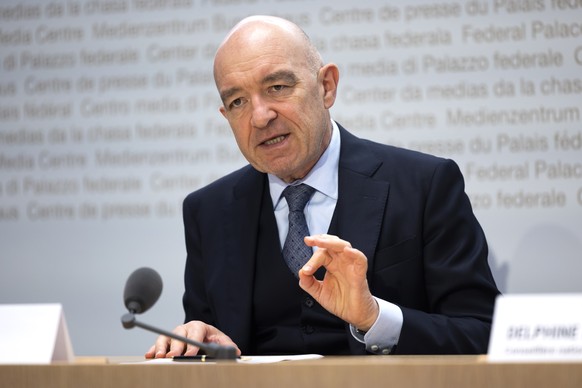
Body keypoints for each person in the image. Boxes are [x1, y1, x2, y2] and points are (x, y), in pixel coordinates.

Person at [146, 15, 500, 358]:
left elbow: (482, 332)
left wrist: (375, 318)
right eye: (237, 101)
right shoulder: (209, 211)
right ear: (226, 116)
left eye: (277, 87)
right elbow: (206, 334)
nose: (260, 116)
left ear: (326, 86)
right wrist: (199, 342)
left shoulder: (425, 185)